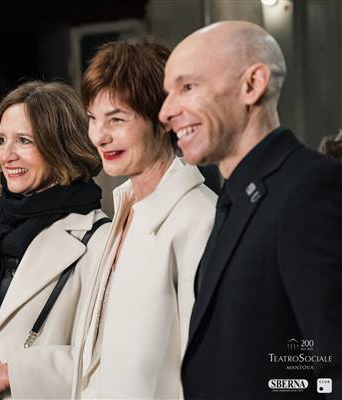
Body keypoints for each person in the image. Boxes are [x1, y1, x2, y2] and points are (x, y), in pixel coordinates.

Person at [160, 21, 342, 398]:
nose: (165, 112)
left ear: (252, 85)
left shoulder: (309, 189)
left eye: (187, 87)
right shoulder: (236, 196)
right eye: (168, 93)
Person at [0, 80, 110, 400]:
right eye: (2, 140)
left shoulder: (100, 239)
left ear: (62, 146)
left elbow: (106, 357)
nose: (6, 155)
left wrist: (9, 374)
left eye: (24, 141)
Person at [74, 39, 216, 399]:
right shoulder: (124, 208)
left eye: (117, 119)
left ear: (164, 119)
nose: (99, 136)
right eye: (92, 118)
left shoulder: (199, 219)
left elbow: (207, 363)